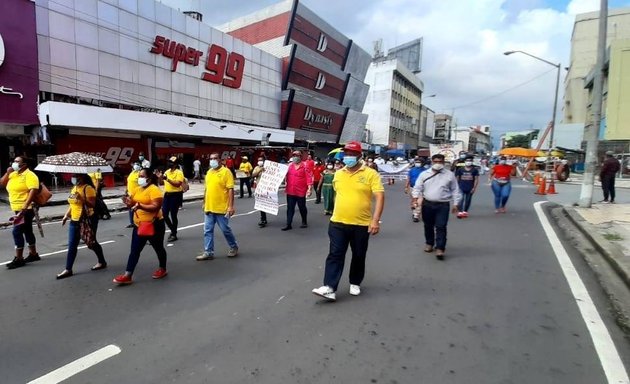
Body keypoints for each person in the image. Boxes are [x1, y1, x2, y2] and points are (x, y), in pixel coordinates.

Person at [312, 141, 385, 301]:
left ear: (359, 156)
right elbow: (339, 194)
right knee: (335, 254)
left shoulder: (370, 174)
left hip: (361, 224)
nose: (348, 157)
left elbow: (379, 196)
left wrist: (375, 220)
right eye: (347, 154)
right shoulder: (339, 173)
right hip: (338, 222)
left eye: (352, 154)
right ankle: (329, 287)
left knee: (358, 254)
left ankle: (355, 281)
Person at [114, 168, 168, 284]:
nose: (139, 178)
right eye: (139, 176)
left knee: (158, 248)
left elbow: (156, 207)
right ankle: (128, 275)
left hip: (154, 225)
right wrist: (128, 203)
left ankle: (162, 268)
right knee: (134, 250)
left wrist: (140, 206)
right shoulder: (136, 189)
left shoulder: (154, 190)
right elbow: (132, 204)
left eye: (142, 176)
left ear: (148, 178)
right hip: (139, 225)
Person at [56, 174, 107, 279]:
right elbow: (72, 204)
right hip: (74, 220)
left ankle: (102, 261)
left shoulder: (88, 188)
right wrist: (66, 215)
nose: (73, 178)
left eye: (76, 176)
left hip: (87, 220)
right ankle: (68, 269)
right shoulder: (74, 188)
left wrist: (82, 198)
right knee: (72, 245)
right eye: (73, 176)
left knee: (91, 243)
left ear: (82, 177)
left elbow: (92, 205)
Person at [411, 154, 461, 260]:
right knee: (428, 225)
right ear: (432, 162)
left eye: (440, 162)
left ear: (443, 162)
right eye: (435, 161)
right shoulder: (424, 174)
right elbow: (417, 187)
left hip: (443, 205)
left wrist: (456, 204)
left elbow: (455, 189)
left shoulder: (449, 175)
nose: (438, 164)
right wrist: (415, 199)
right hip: (427, 204)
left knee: (441, 226)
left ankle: (440, 248)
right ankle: (429, 243)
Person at [0, 156, 41, 269]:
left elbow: (33, 191)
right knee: (27, 230)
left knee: (16, 231)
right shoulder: (13, 174)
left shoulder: (30, 175)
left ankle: (19, 258)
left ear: (24, 165)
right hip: (17, 208)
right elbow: (2, 184)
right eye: (14, 161)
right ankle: (33, 254)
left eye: (17, 162)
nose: (14, 163)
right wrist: (7, 173)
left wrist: (24, 207)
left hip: (27, 209)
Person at [196, 152, 238, 260]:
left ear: (220, 160)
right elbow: (207, 189)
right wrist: (204, 202)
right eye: (211, 158)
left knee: (225, 229)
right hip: (209, 207)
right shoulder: (209, 172)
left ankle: (233, 247)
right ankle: (208, 252)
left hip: (221, 208)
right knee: (207, 231)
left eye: (215, 158)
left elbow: (230, 189)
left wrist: (230, 206)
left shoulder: (226, 172)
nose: (212, 160)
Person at [282, 150, 313, 231]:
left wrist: (309, 189)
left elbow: (309, 178)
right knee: (290, 208)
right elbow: (280, 174)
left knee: (302, 207)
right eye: (294, 155)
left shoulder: (305, 166)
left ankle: (304, 221)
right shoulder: (289, 166)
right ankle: (288, 224)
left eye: (297, 155)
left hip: (301, 191)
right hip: (290, 191)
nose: (296, 157)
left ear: (300, 157)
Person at [159, 156, 185, 242]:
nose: (169, 164)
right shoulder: (166, 172)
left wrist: (167, 179)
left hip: (176, 195)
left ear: (176, 164)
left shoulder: (179, 173)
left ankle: (174, 233)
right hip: (167, 195)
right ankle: (173, 231)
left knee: (173, 215)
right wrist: (160, 177)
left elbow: (177, 184)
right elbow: (161, 183)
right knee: (164, 214)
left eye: (172, 163)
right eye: (169, 162)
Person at [405, 157, 428, 222]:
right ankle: (415, 210)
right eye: (416, 162)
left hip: (421, 188)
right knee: (413, 201)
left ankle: (416, 215)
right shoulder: (412, 170)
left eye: (419, 162)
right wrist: (406, 187)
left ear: (423, 163)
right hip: (412, 187)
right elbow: (408, 178)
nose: (417, 163)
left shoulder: (425, 171)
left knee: (419, 201)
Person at [252, 156, 268, 227]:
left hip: (267, 188)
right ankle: (263, 219)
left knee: (265, 204)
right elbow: (253, 175)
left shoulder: (267, 167)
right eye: (258, 160)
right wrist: (260, 170)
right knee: (261, 204)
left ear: (264, 161)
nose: (259, 161)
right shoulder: (256, 168)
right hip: (259, 188)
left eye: (261, 160)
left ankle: (264, 219)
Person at [125, 161, 142, 228]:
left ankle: (138, 222)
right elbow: (129, 182)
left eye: (137, 164)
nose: (136, 166)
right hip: (130, 194)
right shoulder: (132, 173)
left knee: (137, 208)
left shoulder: (140, 173)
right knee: (130, 209)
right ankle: (132, 222)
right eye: (135, 164)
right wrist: (126, 190)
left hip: (137, 194)